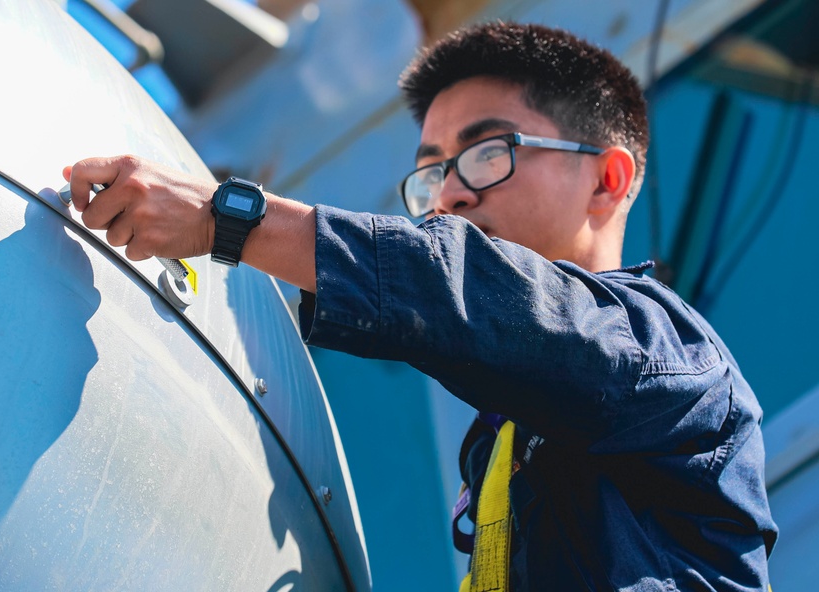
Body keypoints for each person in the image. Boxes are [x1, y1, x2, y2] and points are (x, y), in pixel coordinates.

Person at [63, 21, 777, 591]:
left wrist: (228, 219)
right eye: (431, 171)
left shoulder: (669, 359)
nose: (449, 195)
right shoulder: (505, 438)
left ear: (607, 180)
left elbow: (471, 288)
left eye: (485, 152)